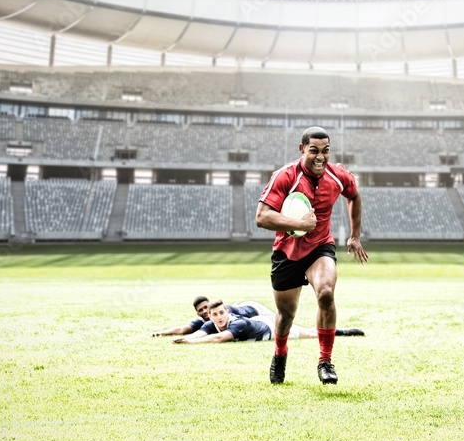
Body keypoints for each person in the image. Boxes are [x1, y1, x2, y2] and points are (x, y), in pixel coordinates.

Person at [255, 126, 368, 385]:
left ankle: (325, 361)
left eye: (326, 151)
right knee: (286, 315)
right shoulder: (285, 176)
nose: (320, 157)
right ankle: (280, 354)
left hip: (320, 247)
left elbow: (354, 195)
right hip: (287, 251)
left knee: (326, 293)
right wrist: (297, 225)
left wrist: (355, 235)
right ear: (302, 149)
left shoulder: (337, 175)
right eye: (314, 151)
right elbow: (261, 217)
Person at [172, 299, 364, 344]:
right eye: (215, 315)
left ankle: (343, 332)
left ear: (226, 311)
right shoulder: (210, 323)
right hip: (258, 319)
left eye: (222, 313)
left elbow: (219, 338)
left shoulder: (238, 323)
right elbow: (199, 332)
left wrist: (190, 341)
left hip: (270, 326)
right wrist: (188, 338)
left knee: (311, 334)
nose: (219, 317)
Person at [150, 296, 274, 337]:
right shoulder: (205, 321)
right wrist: (161, 333)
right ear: (198, 313)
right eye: (200, 310)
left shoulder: (223, 313)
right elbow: (183, 330)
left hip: (255, 310)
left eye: (206, 307)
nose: (204, 311)